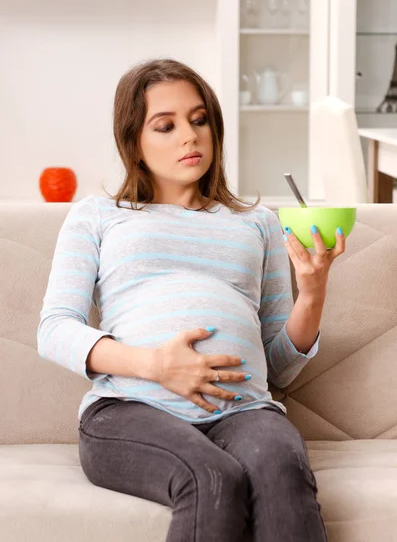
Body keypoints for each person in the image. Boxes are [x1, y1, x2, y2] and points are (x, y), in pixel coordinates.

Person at [37, 58, 345, 542]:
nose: (190, 135)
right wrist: (156, 365)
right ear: (133, 142)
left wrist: (313, 292)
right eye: (166, 125)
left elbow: (279, 367)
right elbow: (55, 328)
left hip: (245, 411)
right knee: (211, 477)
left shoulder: (257, 222)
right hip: (129, 407)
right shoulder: (98, 216)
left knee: (280, 470)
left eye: (199, 120)